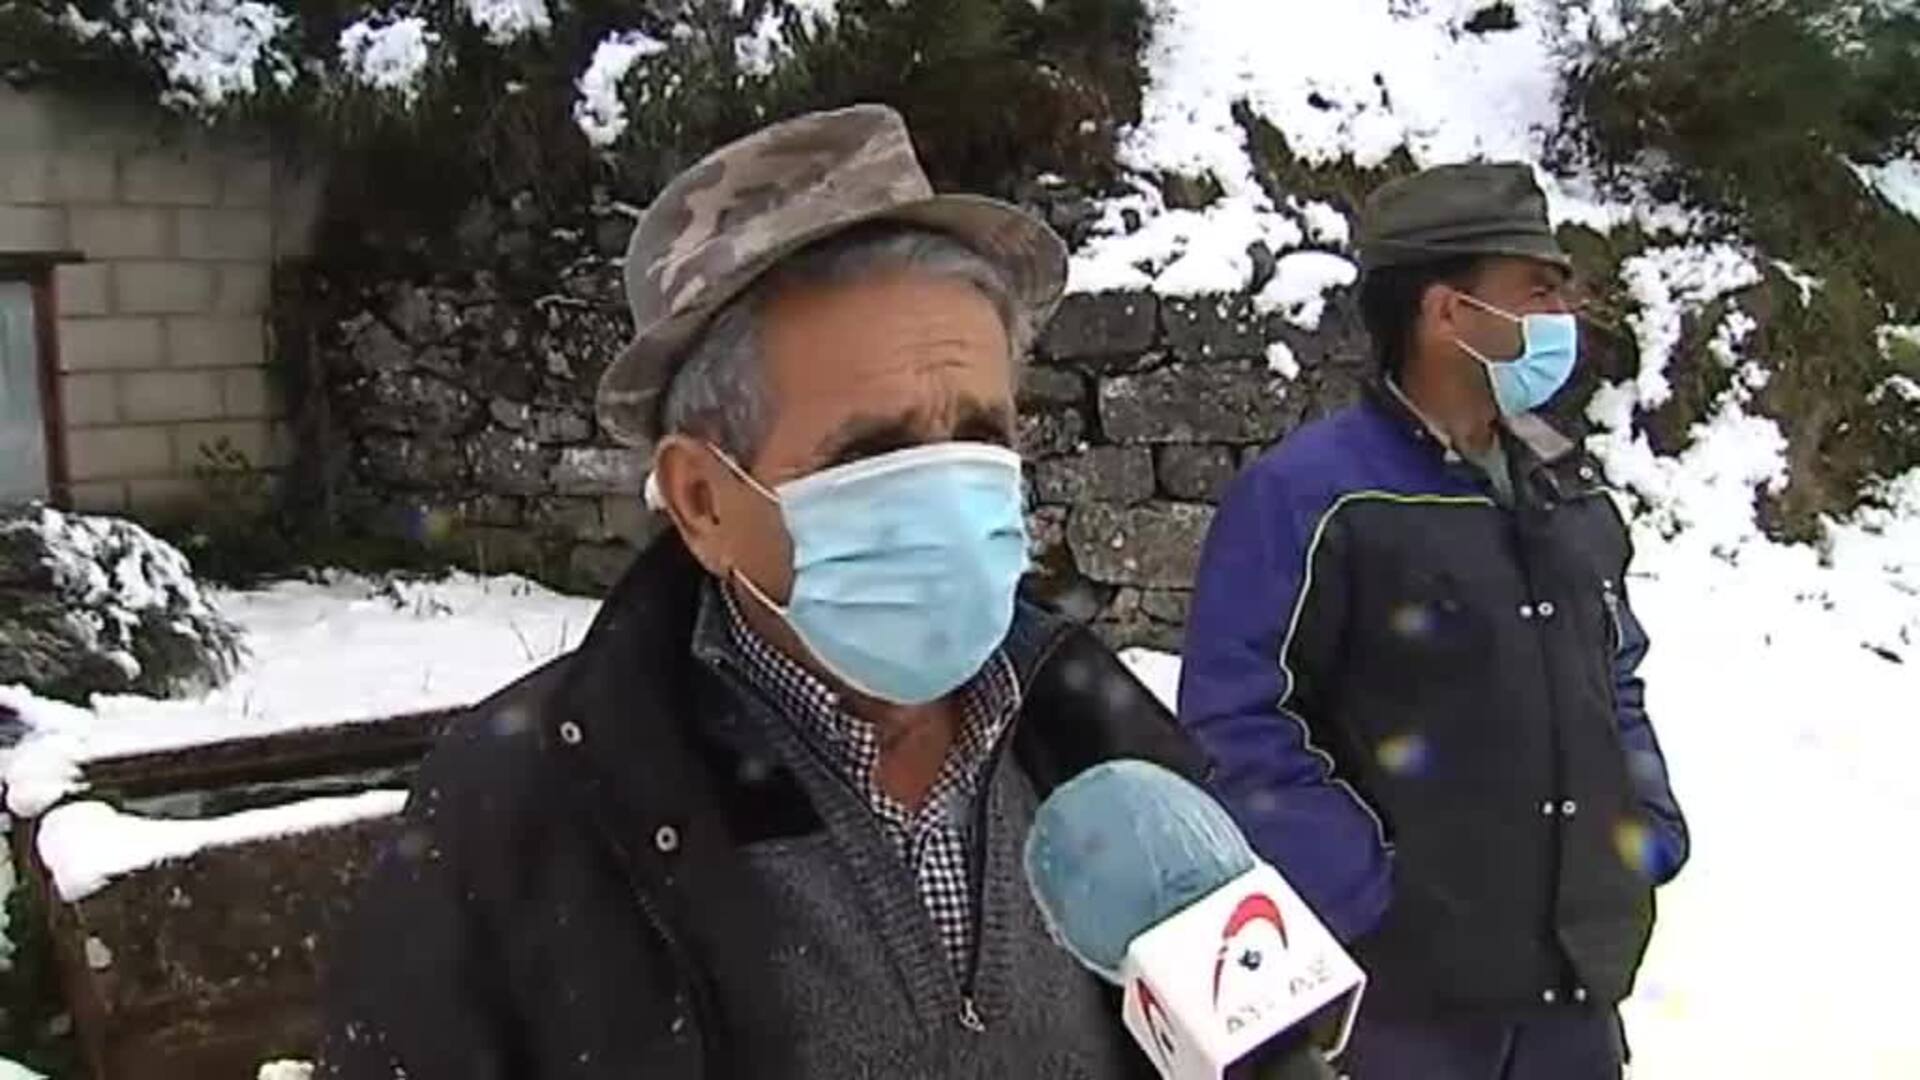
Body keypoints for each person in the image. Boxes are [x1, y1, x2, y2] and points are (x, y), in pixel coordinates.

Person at [316, 103, 1241, 1080]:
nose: (950, 486)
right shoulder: (529, 814)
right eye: (874, 450)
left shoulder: (1095, 733)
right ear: (703, 499)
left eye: (980, 431)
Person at [1177, 163, 1689, 1080]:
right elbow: (1238, 722)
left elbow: (1616, 672)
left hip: (1575, 991)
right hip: (1404, 1011)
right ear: (1447, 313)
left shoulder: (1562, 483)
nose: (1562, 316)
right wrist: (1376, 893)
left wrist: (1644, 825)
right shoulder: (1311, 498)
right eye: (1536, 291)